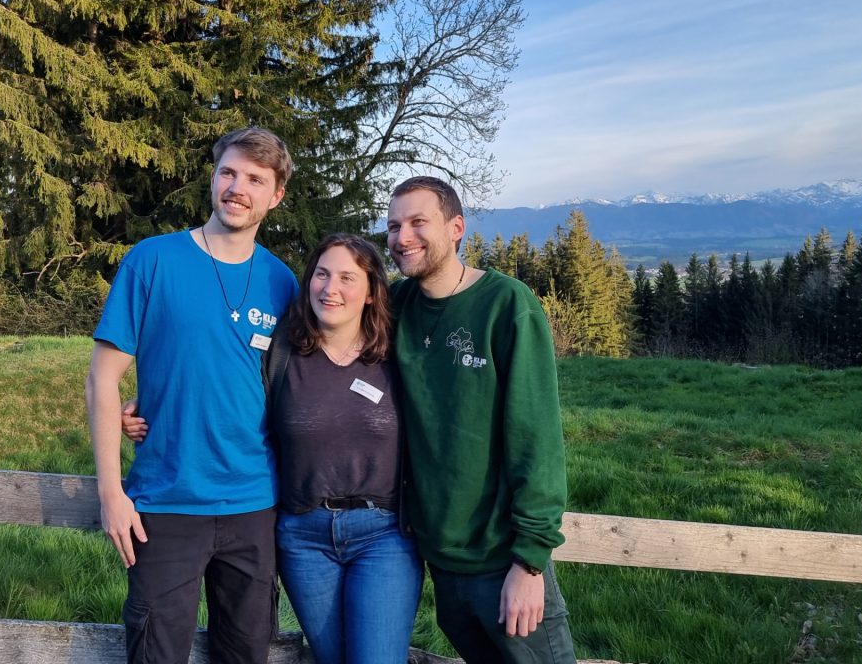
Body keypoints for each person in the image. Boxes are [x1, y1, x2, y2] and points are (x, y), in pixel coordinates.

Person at [123, 233, 423, 664]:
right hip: (304, 535)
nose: (330, 288)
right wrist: (144, 406)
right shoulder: (283, 350)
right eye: (321, 274)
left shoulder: (398, 355)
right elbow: (225, 385)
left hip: (382, 534)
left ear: (373, 292)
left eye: (346, 277)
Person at [85, 127, 298, 664]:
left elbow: (292, 391)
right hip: (165, 501)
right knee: (155, 652)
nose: (237, 187)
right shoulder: (152, 261)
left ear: (275, 196)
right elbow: (103, 379)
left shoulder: (284, 283)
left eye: (255, 178)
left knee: (246, 654)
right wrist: (112, 494)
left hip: (255, 505)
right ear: (213, 176)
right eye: (229, 172)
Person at [385, 176, 578, 664]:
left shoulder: (506, 305)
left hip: (503, 559)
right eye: (392, 226)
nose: (402, 237)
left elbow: (536, 436)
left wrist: (530, 564)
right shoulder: (397, 307)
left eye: (417, 222)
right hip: (440, 561)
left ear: (456, 228)